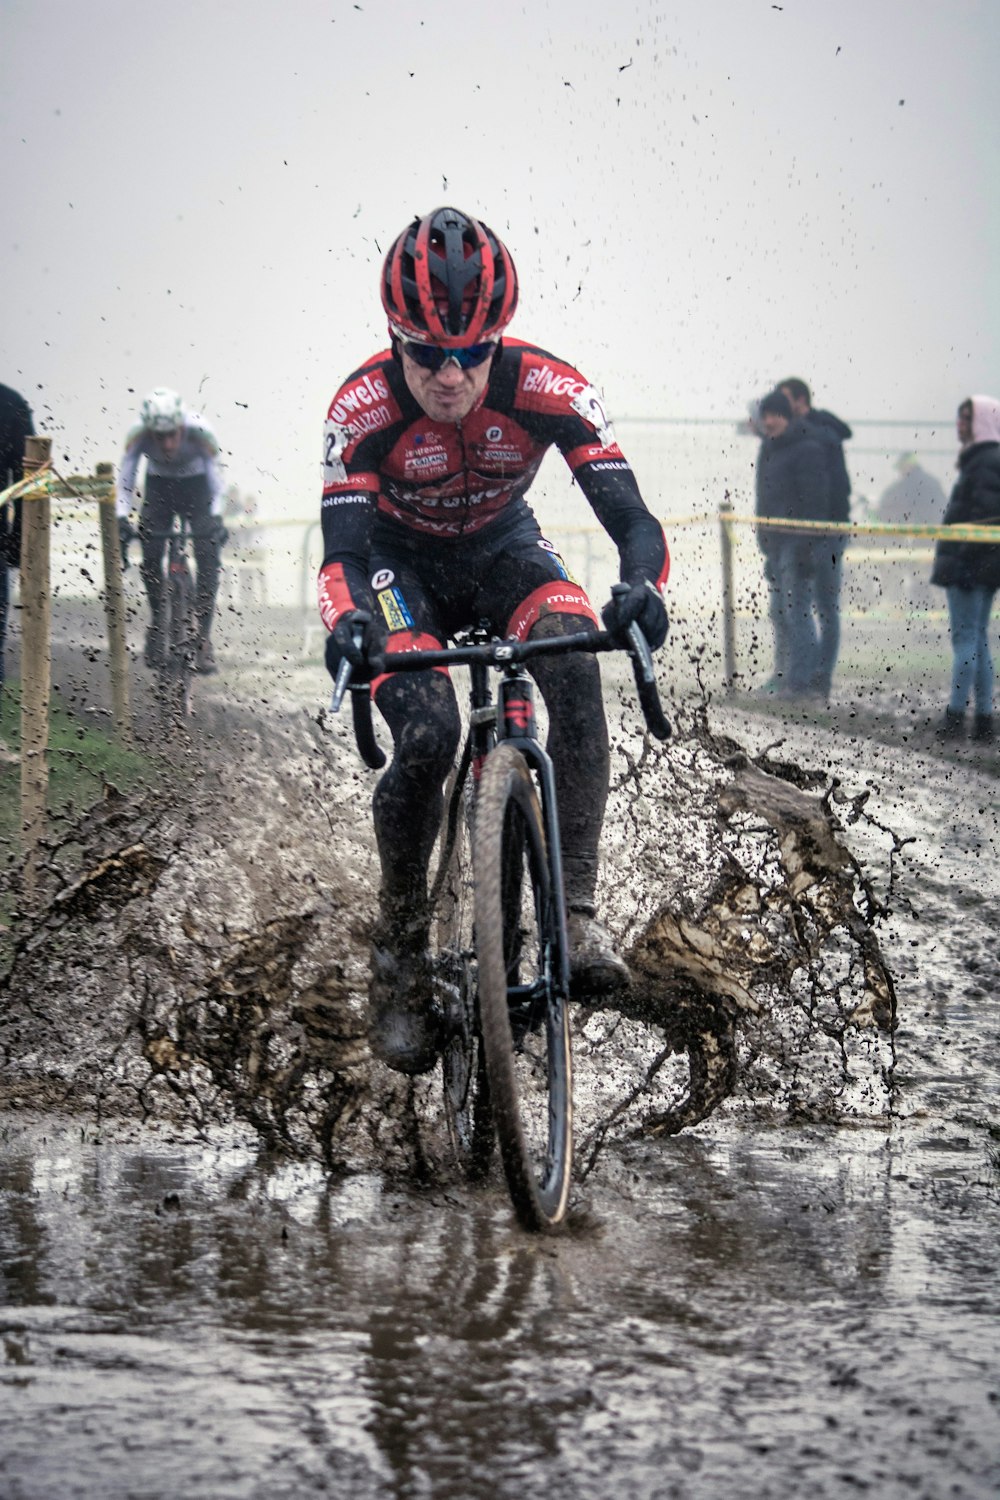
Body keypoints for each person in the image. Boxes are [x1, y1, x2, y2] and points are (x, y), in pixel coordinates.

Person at [318, 205, 669, 1075]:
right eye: (427, 353)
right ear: (396, 337)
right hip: (400, 570)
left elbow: (633, 519)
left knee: (574, 660)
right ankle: (399, 952)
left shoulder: (548, 386)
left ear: (497, 341)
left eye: (472, 353)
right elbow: (344, 558)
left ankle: (575, 919)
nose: (449, 374)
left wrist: (642, 591)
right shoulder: (362, 407)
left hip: (504, 549)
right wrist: (350, 623)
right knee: (431, 732)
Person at [116, 388, 226, 673]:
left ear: (182, 425)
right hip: (159, 485)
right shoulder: (138, 434)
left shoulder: (201, 430)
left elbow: (216, 480)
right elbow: (126, 478)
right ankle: (157, 623)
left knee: (208, 555)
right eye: (159, 436)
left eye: (172, 434)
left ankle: (203, 637)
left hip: (197, 487)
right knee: (150, 553)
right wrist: (121, 518)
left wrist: (217, 519)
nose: (166, 443)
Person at [930, 395, 1000, 743]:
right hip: (980, 567)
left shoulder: (984, 462)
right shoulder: (984, 460)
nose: (959, 425)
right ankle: (984, 720)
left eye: (966, 418)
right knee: (979, 640)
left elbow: (981, 519)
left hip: (969, 569)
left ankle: (956, 717)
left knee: (966, 640)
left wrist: (962, 559)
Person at [779, 377, 852, 697]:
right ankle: (804, 676)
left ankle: (816, 678)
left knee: (822, 605)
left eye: (783, 401)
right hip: (813, 531)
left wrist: (818, 533)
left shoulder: (819, 436)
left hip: (827, 532)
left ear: (798, 401)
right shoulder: (809, 436)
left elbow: (829, 490)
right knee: (804, 606)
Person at [754, 388, 830, 697]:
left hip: (797, 544)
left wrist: (806, 544)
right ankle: (784, 675)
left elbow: (815, 501)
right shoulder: (769, 449)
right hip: (775, 543)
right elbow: (765, 496)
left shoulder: (808, 449)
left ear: (786, 417)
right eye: (766, 415)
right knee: (780, 612)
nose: (769, 421)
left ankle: (802, 681)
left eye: (775, 415)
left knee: (797, 611)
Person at [1, 382, 35, 758]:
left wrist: (17, 544)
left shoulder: (11, 404)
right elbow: (28, 482)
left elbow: (29, 481)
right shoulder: (11, 402)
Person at [876, 452, 947, 529]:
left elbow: (897, 502)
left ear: (908, 466)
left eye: (901, 468)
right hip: (938, 525)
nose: (900, 472)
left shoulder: (907, 485)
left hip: (923, 527)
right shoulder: (932, 481)